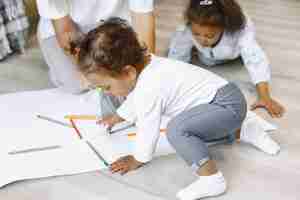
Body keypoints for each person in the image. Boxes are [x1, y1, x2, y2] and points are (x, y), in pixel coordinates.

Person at [71, 18, 278, 199]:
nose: (106, 92)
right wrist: (119, 116)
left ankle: (211, 179)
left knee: (177, 130)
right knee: (191, 127)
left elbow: (147, 126)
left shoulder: (149, 87)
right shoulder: (149, 65)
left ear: (128, 73)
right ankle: (243, 130)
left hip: (225, 106)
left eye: (106, 87)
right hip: (228, 100)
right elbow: (137, 99)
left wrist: (138, 158)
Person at [168, 0, 285, 118]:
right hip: (207, 57)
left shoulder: (241, 29)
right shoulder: (186, 28)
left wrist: (264, 96)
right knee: (200, 57)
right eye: (196, 34)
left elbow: (255, 58)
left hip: (233, 54)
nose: (202, 40)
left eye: (209, 36)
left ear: (223, 28)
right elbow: (177, 56)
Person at [36, 0, 155, 94]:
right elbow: (66, 31)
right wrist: (86, 70)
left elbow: (142, 19)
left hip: (116, 24)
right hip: (68, 27)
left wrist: (144, 76)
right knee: (76, 85)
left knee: (129, 80)